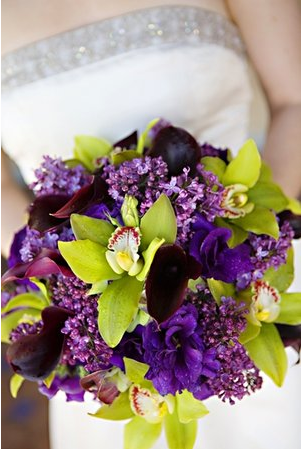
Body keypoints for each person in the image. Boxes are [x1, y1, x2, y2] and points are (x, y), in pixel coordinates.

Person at [1, 1, 301, 448]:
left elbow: (295, 101)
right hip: (107, 348)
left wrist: (239, 236)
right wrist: (76, 296)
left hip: (255, 280)